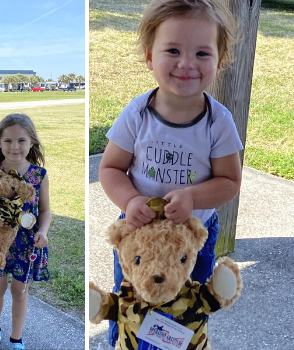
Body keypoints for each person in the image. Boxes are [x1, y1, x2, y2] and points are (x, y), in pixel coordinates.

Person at [97, 0, 242, 349]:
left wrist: (193, 198)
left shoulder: (217, 121)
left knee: (187, 308)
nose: (187, 64)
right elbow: (111, 168)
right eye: (173, 50)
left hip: (192, 238)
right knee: (132, 298)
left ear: (219, 61)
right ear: (150, 56)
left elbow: (229, 181)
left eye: (203, 54)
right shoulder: (137, 113)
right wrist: (130, 200)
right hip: (138, 234)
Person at [0, 113, 51, 350]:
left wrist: (44, 231)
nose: (14, 147)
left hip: (27, 243)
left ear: (32, 143)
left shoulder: (39, 175)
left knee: (20, 290)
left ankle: (16, 340)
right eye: (8, 141)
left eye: (21, 141)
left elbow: (45, 211)